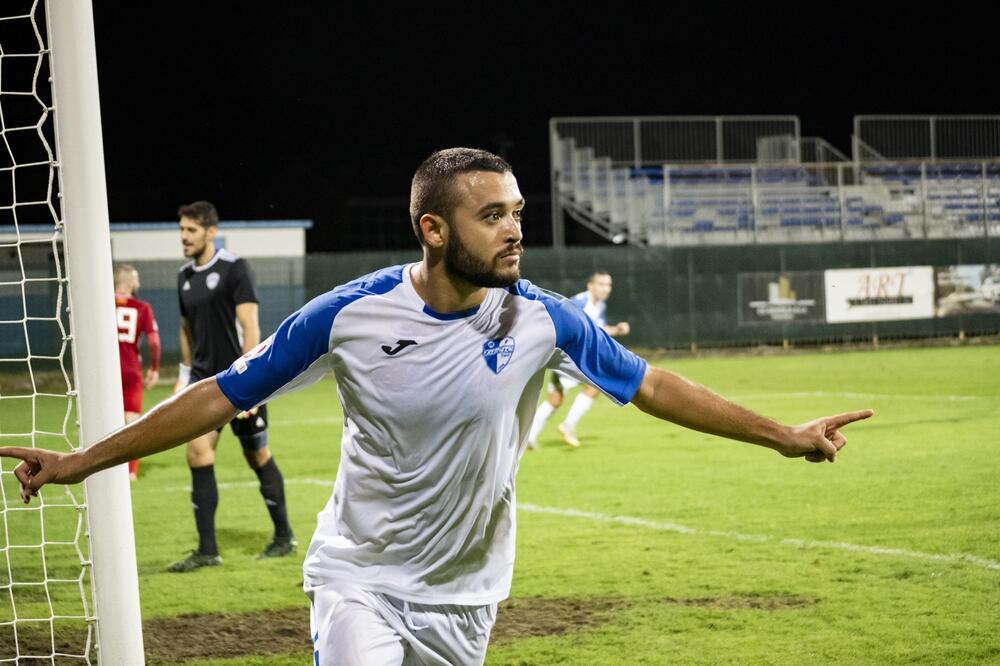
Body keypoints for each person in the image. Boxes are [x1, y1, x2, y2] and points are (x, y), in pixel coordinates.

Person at [0, 149, 873, 665]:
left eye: (517, 212)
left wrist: (782, 436)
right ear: (434, 228)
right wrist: (83, 460)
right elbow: (218, 395)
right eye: (493, 216)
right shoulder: (347, 314)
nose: (515, 229)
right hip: (360, 581)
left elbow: (650, 386)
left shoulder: (545, 318)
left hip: (469, 591)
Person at [170, 200, 295, 572]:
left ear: (210, 232)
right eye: (181, 230)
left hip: (237, 382)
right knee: (197, 453)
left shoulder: (234, 268)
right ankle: (207, 550)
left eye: (191, 230)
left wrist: (251, 383)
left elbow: (250, 325)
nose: (184, 237)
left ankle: (284, 537)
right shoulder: (183, 277)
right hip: (203, 383)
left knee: (257, 456)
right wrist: (184, 375)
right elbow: (186, 329)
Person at [526, 270, 630, 448]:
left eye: (608, 285)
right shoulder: (579, 303)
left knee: (556, 400)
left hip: (568, 357)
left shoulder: (599, 305)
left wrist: (617, 330)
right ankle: (567, 426)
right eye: (601, 284)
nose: (606, 288)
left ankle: (529, 437)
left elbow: (599, 330)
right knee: (593, 387)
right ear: (591, 285)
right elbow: (562, 324)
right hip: (568, 356)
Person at [114, 264, 161, 480]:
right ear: (130, 283)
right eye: (137, 279)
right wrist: (154, 368)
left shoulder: (103, 304)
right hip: (131, 369)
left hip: (107, 371)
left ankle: (103, 467)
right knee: (132, 423)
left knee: (105, 422)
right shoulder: (142, 307)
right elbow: (154, 342)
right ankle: (131, 472)